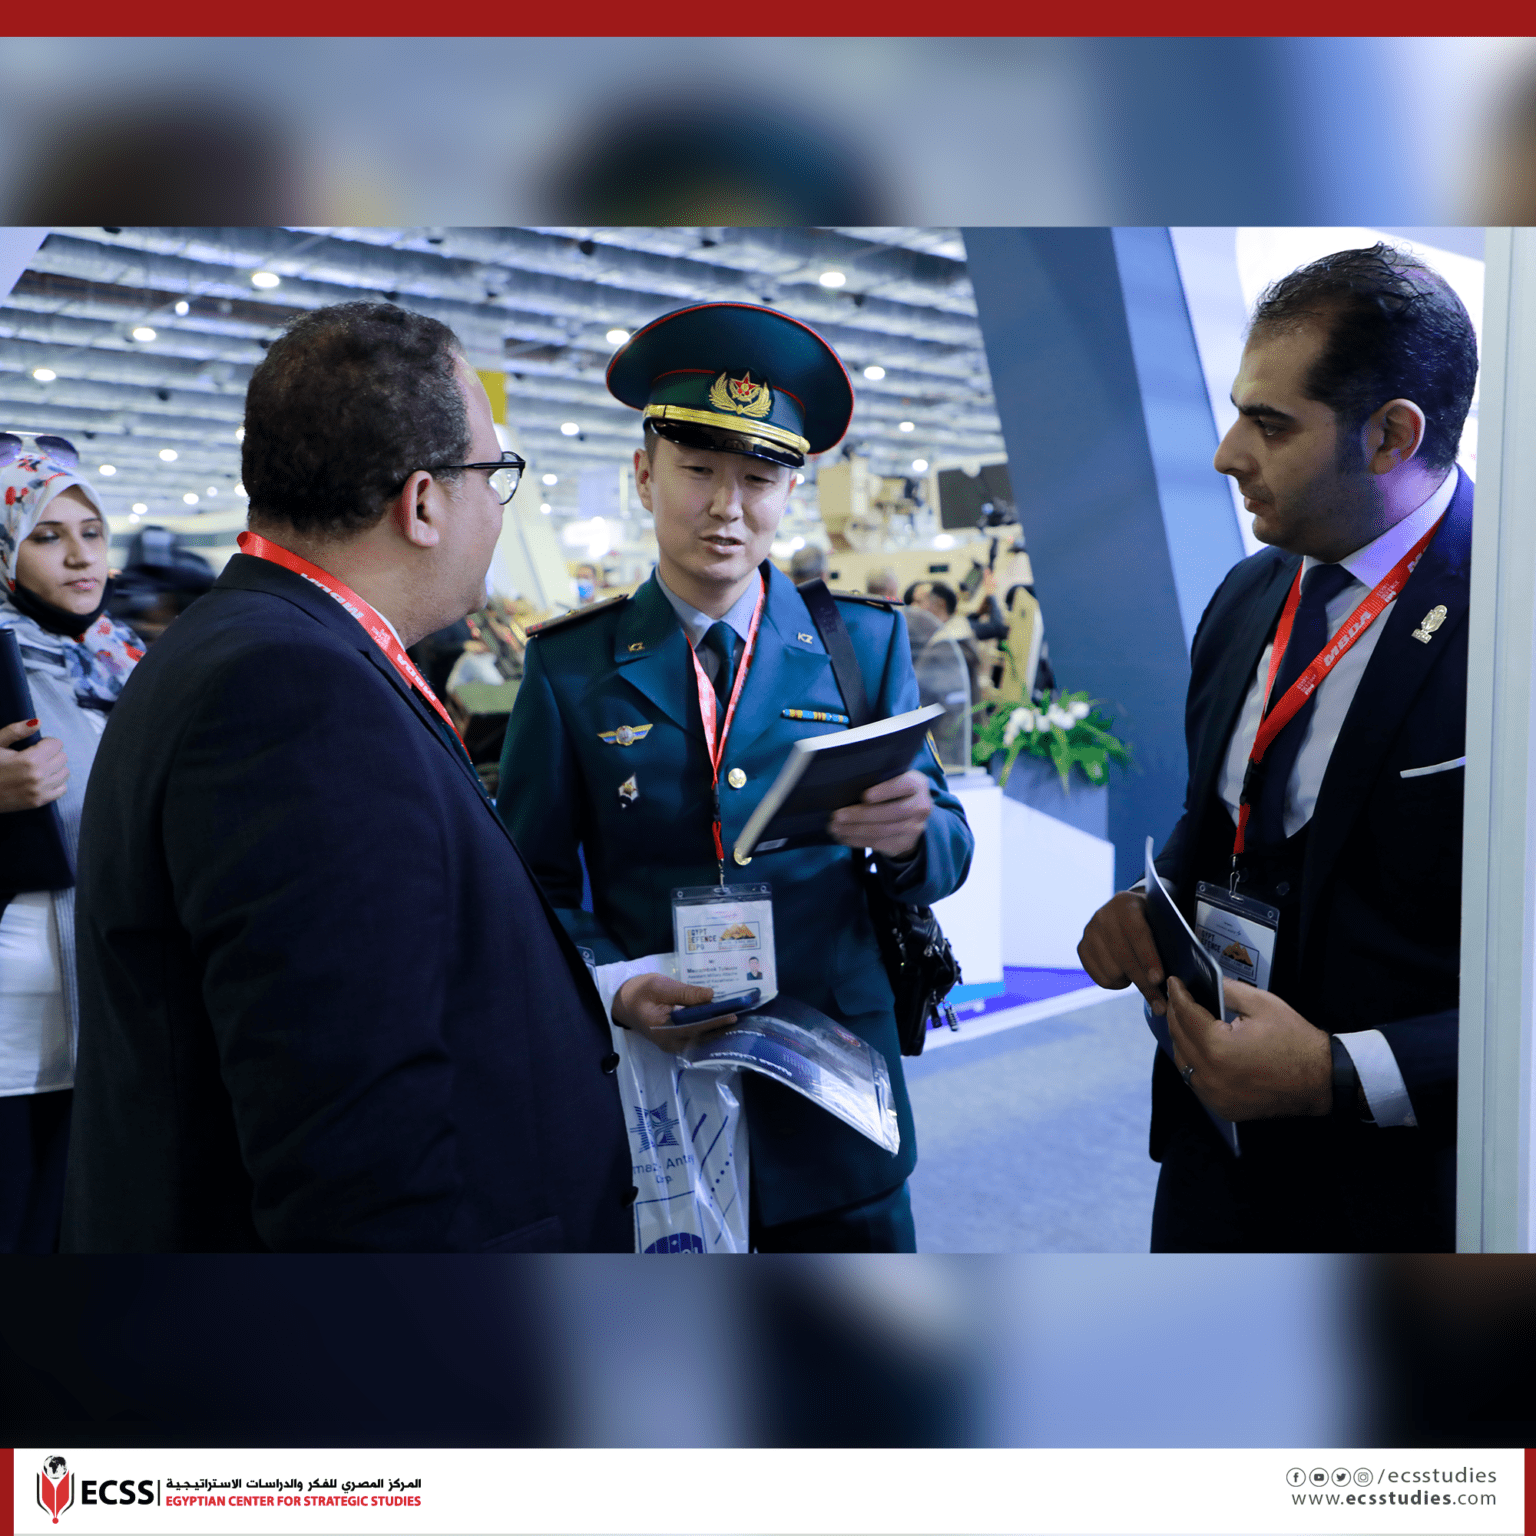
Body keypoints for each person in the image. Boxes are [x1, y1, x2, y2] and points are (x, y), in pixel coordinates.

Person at [61, 302, 634, 1253]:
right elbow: (353, 1140)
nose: (499, 506)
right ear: (423, 503)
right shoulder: (293, 693)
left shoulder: (256, 645)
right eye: (495, 474)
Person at [497, 302, 974, 1253]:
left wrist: (914, 831)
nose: (727, 509)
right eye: (698, 472)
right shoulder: (570, 668)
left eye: (758, 480)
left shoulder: (861, 647)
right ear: (644, 476)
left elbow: (948, 848)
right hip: (660, 1088)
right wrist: (617, 982)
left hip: (835, 1086)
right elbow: (530, 883)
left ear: (789, 491)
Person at [1077, 244, 1477, 1252]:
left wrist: (1340, 1072)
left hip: (1411, 1189)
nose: (1226, 454)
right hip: (1215, 1155)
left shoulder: (1510, 619)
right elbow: (1221, 824)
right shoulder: (1248, 592)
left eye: (1270, 424)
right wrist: (1152, 909)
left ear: (1391, 436)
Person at [0, 434, 143, 1253]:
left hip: (112, 1007)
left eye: (91, 532)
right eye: (47, 537)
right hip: (16, 1029)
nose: (81, 557)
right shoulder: (4, 661)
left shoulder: (122, 659)